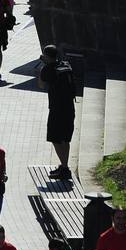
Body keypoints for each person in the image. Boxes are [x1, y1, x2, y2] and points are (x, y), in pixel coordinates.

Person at [39, 45, 76, 181]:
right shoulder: (65, 65)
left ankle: (65, 168)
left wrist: (44, 66)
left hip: (56, 109)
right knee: (65, 138)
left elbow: (41, 85)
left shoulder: (47, 69)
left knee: (55, 138)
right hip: (69, 108)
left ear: (46, 56)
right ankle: (64, 165)